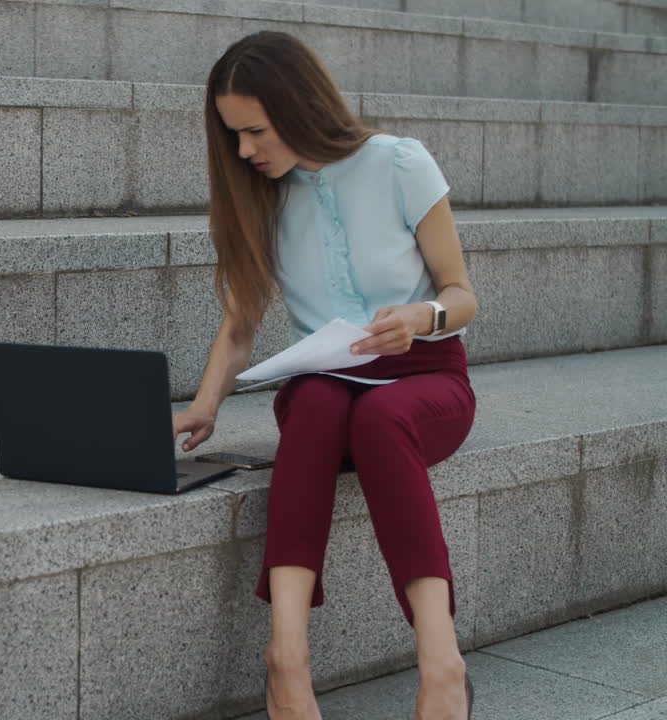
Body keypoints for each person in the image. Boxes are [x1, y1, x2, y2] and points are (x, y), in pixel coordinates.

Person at [171, 32, 478, 720]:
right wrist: (205, 405)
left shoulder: (401, 163)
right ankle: (286, 658)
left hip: (426, 378)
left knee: (382, 417)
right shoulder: (264, 197)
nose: (245, 150)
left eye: (255, 130)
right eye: (234, 135)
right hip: (328, 383)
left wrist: (421, 317)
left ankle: (442, 665)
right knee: (312, 404)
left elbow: (462, 293)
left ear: (299, 105)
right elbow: (241, 324)